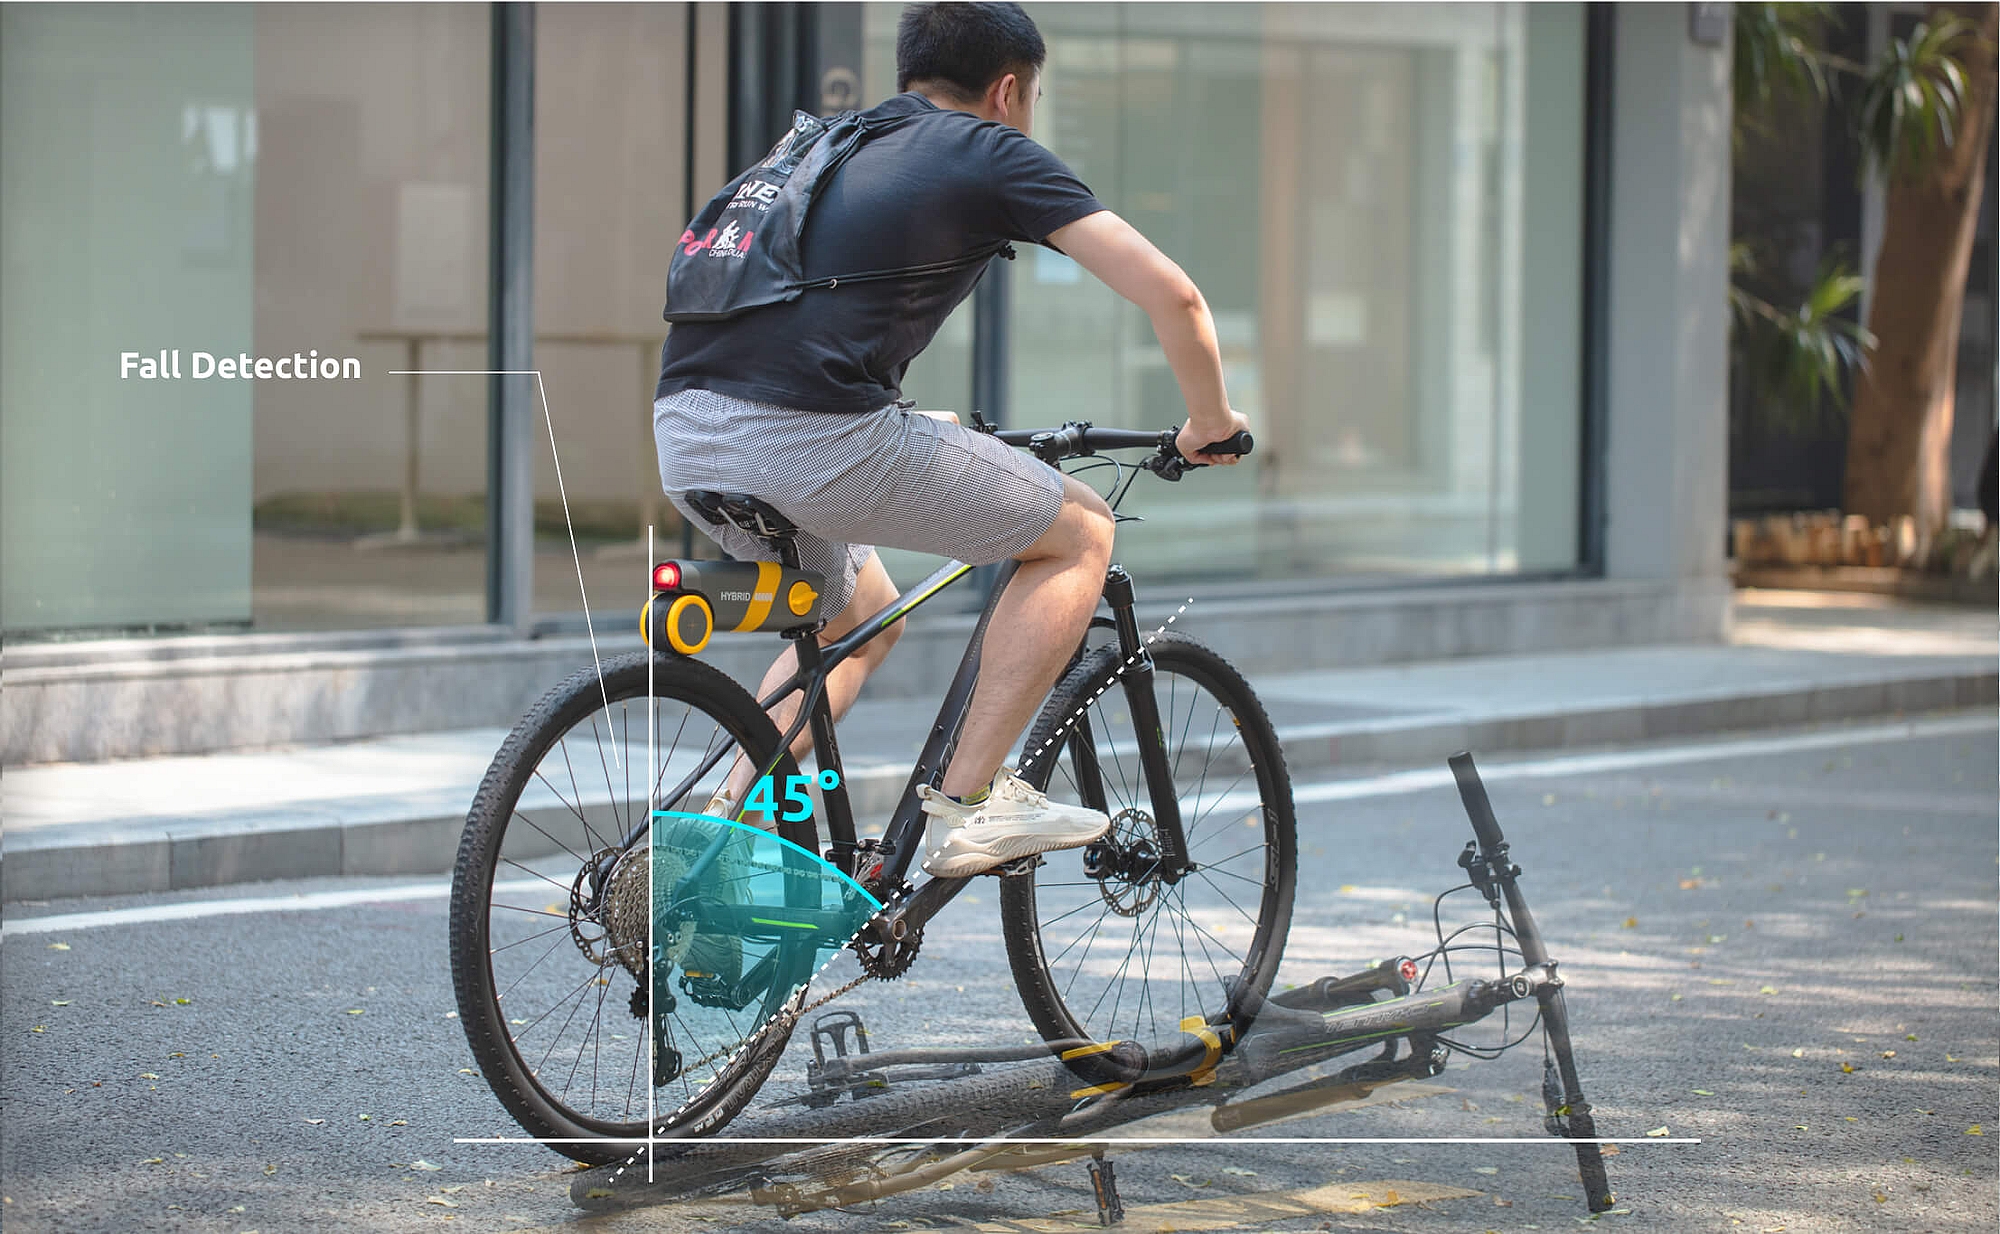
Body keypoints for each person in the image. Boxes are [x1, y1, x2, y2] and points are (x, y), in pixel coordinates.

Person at [653, 1, 1250, 878]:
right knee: (1080, 532)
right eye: (1034, 97)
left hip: (685, 429)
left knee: (857, 608)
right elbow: (1176, 297)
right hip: (810, 439)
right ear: (1008, 90)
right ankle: (968, 807)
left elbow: (791, 318)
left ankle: (715, 829)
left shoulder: (828, 143)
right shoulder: (985, 148)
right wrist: (1211, 422)